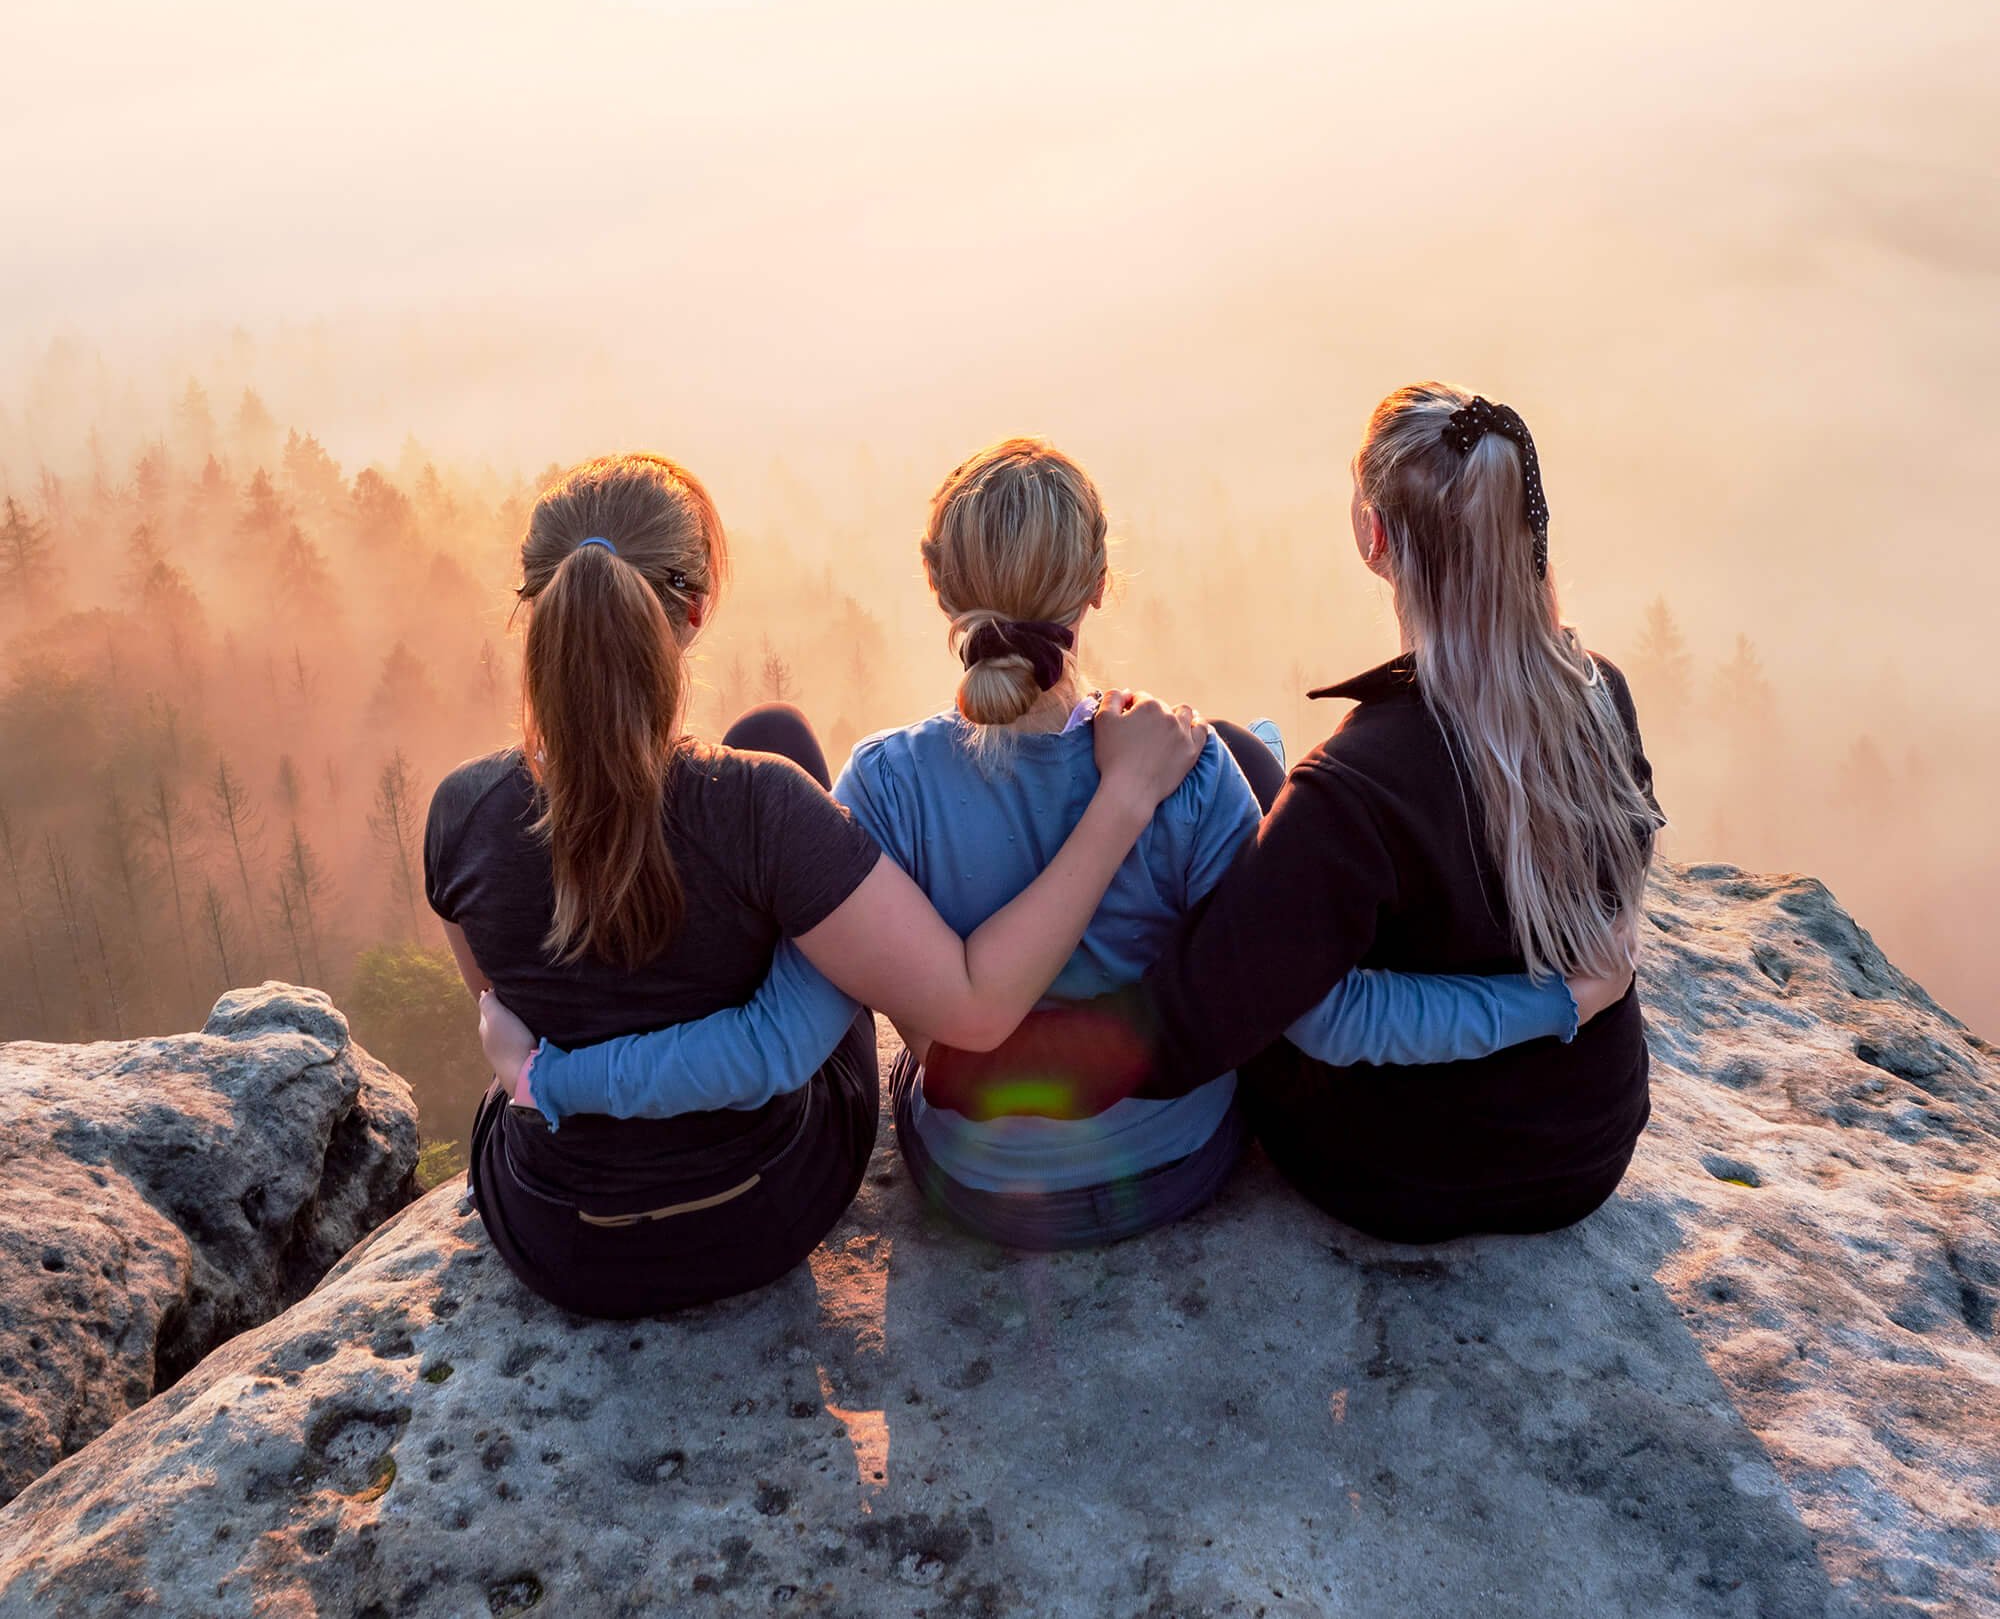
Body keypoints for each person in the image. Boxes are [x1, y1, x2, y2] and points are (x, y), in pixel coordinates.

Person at [479, 438, 1622, 1253]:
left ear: (938, 588)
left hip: (974, 1183)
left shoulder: (881, 783)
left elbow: (792, 1033)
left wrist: (554, 1072)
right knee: (1240, 746)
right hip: (1172, 1168)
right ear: (1096, 586)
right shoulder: (1180, 774)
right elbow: (1257, 989)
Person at [423, 449, 1207, 1318]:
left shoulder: (460, 812)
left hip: (558, 1236)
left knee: (772, 758)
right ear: (694, 610)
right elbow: (834, 1033)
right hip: (757, 1208)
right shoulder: (762, 804)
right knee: (780, 757)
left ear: (533, 608)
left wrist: (545, 1080)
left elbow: (508, 1008)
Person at [918, 389, 1664, 1244]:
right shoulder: (1599, 690)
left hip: (1399, 1171)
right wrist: (1567, 999)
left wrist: (978, 1071)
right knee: (1246, 760)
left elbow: (1218, 1021)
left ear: (1374, 539)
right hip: (1590, 1149)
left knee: (1247, 784)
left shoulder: (1353, 787)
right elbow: (1612, 895)